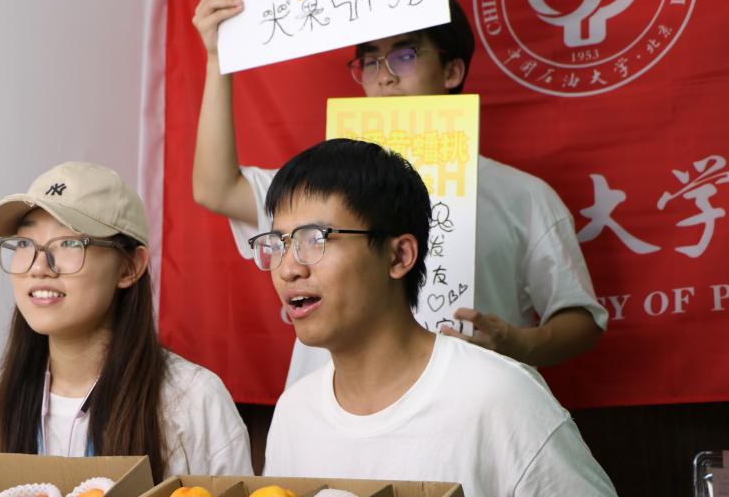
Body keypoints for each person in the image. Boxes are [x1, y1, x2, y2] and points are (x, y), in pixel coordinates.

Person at [191, 0, 608, 384]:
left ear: (451, 70)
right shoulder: (318, 189)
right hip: (333, 412)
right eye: (371, 61)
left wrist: (518, 343)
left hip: (466, 404)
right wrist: (216, 58)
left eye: (404, 56)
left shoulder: (523, 195)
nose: (385, 76)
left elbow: (581, 318)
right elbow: (216, 188)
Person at [256, 138, 617, 496]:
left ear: (399, 256)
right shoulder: (294, 412)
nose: (287, 269)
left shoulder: (500, 397)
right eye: (277, 243)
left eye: (315, 239)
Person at [0, 161, 253, 482]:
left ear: (129, 267)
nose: (38, 267)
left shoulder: (194, 399)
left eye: (69, 243)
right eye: (24, 243)